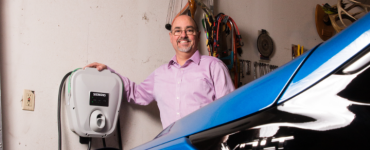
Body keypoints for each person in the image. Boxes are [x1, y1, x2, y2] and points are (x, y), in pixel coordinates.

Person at [84, 15, 235, 129]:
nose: (183, 35)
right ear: (171, 37)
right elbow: (136, 93)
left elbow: (230, 111)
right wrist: (109, 74)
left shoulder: (214, 67)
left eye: (189, 30)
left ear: (198, 35)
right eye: (177, 31)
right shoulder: (160, 74)